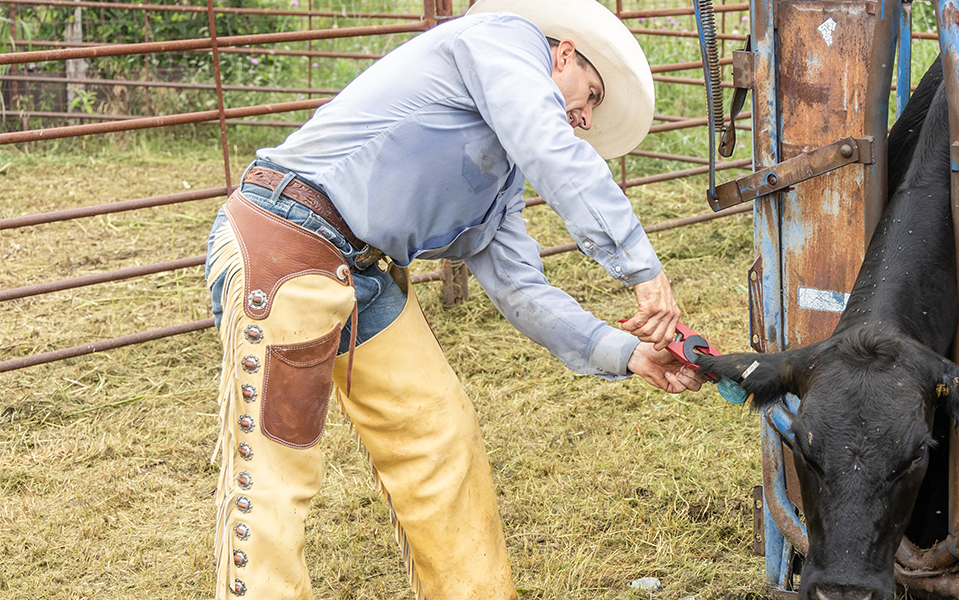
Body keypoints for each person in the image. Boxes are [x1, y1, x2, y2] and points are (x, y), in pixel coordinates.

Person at [201, 0, 705, 597]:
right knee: (279, 465)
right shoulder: (502, 38)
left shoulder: (500, 181)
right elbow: (549, 143)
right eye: (590, 94)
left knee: (441, 432)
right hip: (286, 240)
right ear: (563, 52)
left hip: (360, 271)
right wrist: (642, 270)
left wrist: (629, 353)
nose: (586, 118)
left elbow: (522, 288)